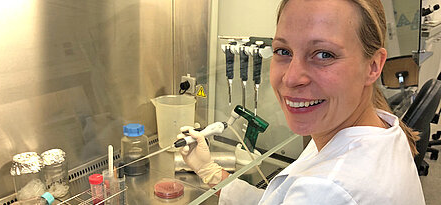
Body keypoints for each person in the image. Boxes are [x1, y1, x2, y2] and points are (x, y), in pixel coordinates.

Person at [177, 0, 426, 204]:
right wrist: (209, 171)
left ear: (373, 66)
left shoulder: (326, 190)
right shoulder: (377, 128)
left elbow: (315, 194)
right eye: (283, 51)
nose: (291, 77)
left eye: (324, 54)